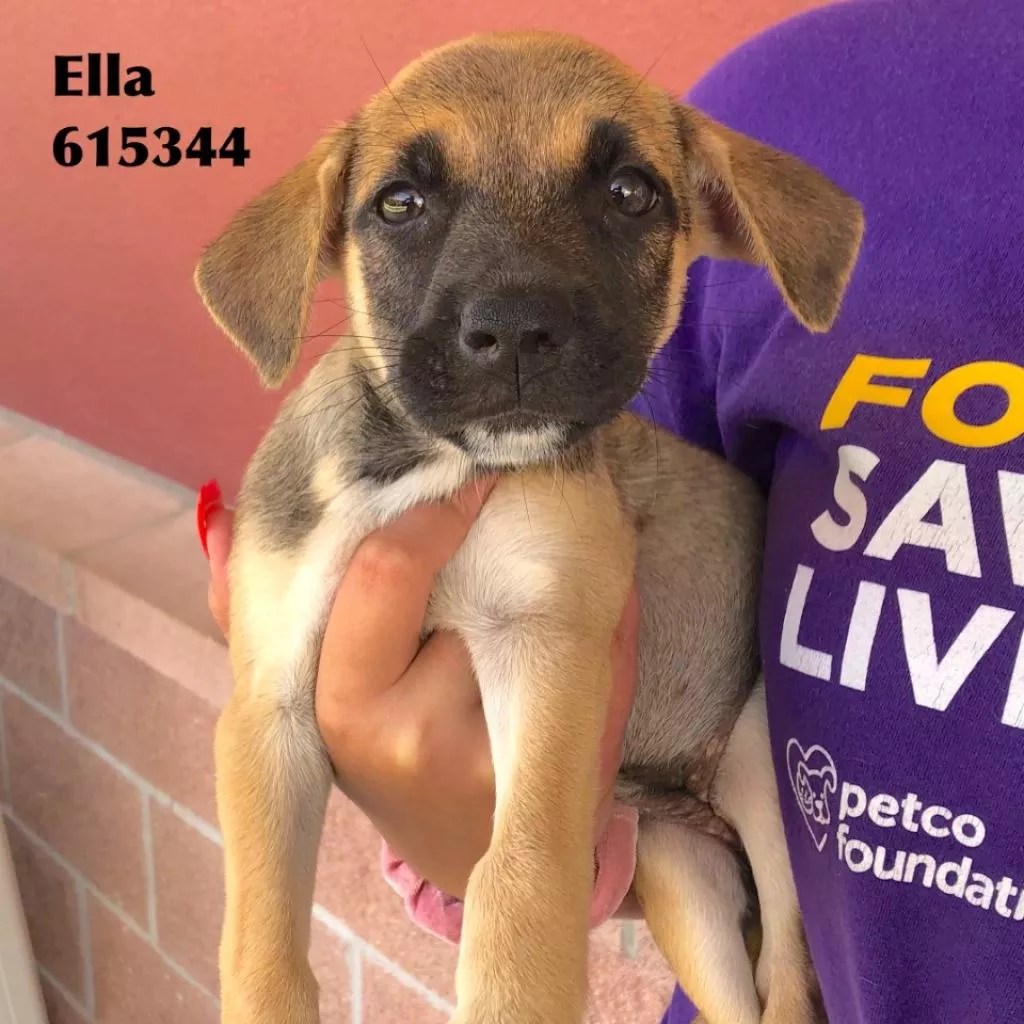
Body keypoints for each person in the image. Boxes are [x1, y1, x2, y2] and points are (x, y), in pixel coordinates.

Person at [199, 0, 1024, 1019]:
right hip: (665, 817)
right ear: (327, 237)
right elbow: (274, 726)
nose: (510, 310)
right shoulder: (802, 87)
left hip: (760, 777)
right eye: (405, 204)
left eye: (624, 197)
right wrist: (433, 837)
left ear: (712, 216)